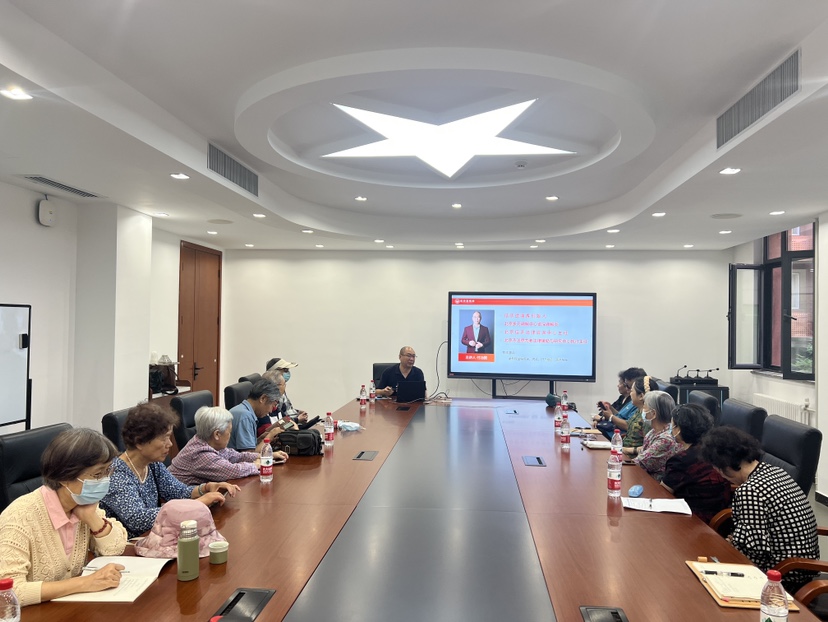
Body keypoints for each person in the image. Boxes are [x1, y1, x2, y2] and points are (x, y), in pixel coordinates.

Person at [0, 428, 128, 606]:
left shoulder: (82, 504)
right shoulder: (20, 517)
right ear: (65, 477)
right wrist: (85, 583)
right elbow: (9, 592)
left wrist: (92, 519)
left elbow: (115, 548)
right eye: (97, 474)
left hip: (67, 609)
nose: (104, 480)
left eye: (107, 472)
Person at [699, 425, 819, 593]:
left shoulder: (750, 491)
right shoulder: (775, 471)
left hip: (783, 575)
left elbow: (754, 554)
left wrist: (728, 550)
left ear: (724, 465)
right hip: (801, 566)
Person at [100, 402, 239, 539]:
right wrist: (198, 503)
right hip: (127, 546)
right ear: (139, 442)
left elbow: (179, 492)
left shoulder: (152, 464)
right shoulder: (116, 473)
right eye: (164, 438)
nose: (170, 444)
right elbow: (138, 520)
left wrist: (206, 488)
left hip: (154, 537)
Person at [169, 406, 288, 485]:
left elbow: (235, 456)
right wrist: (257, 464)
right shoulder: (201, 454)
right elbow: (233, 471)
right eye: (229, 432)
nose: (230, 435)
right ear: (217, 434)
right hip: (179, 502)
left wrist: (266, 456)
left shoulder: (205, 441)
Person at [661, 404, 732, 524]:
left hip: (690, 520)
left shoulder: (681, 460)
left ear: (679, 429)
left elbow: (662, 494)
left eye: (672, 426)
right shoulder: (718, 450)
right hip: (720, 519)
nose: (671, 429)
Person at [622, 390, 681, 481]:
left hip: (654, 485)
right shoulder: (653, 431)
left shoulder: (666, 439)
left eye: (644, 407)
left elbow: (639, 463)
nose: (642, 410)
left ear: (653, 413)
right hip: (643, 478)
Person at [228, 378, 285, 452]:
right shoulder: (245, 416)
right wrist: (269, 436)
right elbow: (248, 455)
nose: (270, 411)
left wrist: (260, 440)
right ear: (263, 398)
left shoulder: (243, 411)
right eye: (272, 405)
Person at [593, 367, 647, 439]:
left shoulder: (640, 407)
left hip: (617, 437)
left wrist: (610, 417)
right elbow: (620, 416)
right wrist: (610, 409)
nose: (627, 389)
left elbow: (628, 426)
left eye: (629, 386)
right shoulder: (632, 402)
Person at [619, 375, 655, 449]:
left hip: (632, 454)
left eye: (632, 391)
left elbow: (648, 446)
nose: (630, 394)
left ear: (641, 396)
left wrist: (628, 450)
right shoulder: (639, 411)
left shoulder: (648, 417)